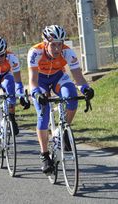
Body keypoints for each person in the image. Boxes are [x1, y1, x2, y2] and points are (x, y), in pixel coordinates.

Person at [27, 25, 94, 174]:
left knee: (71, 95)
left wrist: (86, 89)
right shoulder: (35, 52)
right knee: (43, 113)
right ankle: (44, 155)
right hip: (40, 81)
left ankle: (63, 132)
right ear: (45, 43)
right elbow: (32, 80)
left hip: (58, 77)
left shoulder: (67, 52)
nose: (57, 48)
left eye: (60, 44)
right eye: (53, 44)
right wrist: (36, 93)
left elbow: (78, 76)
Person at [0, 37, 29, 164]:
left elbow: (19, 82)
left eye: (1, 55)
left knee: (10, 85)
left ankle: (12, 117)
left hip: (4, 76)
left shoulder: (12, 57)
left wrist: (21, 96)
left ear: (6, 52)